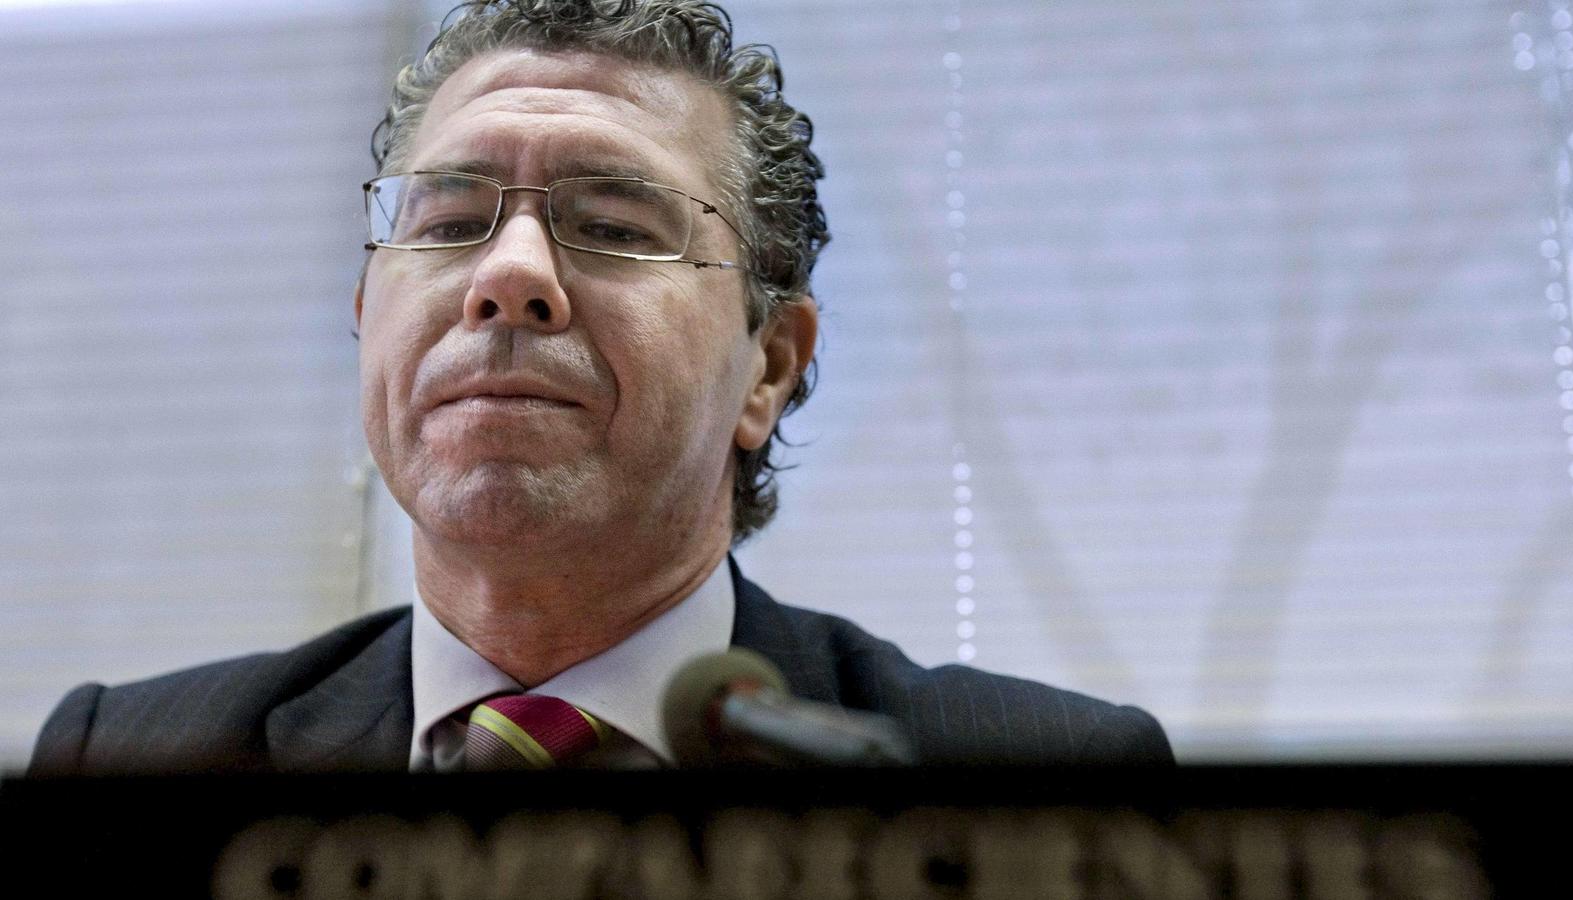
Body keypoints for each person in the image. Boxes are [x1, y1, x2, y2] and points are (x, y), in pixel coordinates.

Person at [28, 0, 1172, 775]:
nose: (508, 277)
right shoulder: (129, 761)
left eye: (614, 226)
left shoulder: (1029, 781)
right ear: (366, 315)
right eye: (451, 221)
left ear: (770, 365)